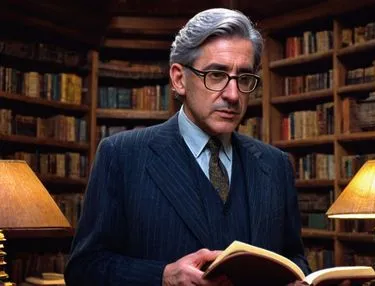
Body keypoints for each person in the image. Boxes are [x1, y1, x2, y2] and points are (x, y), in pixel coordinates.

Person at [64, 7, 310, 286]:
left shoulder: (275, 164)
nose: (232, 95)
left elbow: (294, 258)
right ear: (179, 79)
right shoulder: (121, 155)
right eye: (216, 75)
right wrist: (162, 276)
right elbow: (84, 269)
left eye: (243, 79)